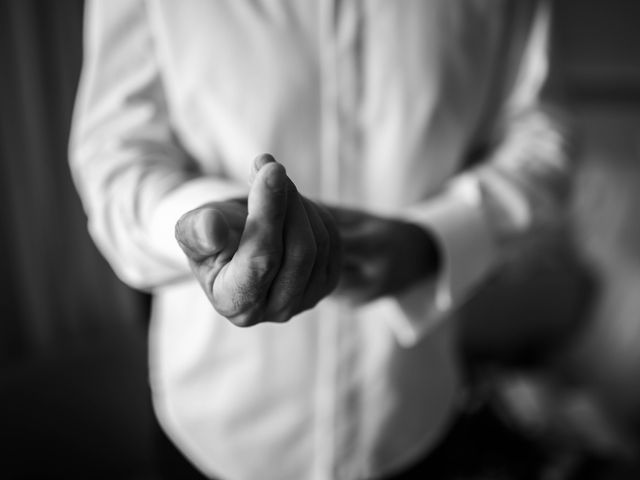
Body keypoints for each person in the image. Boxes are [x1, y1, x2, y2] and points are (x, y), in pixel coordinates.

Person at [69, 1, 572, 479]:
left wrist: (431, 240)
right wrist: (202, 227)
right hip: (213, 422)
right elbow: (115, 151)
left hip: (411, 410)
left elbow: (541, 135)